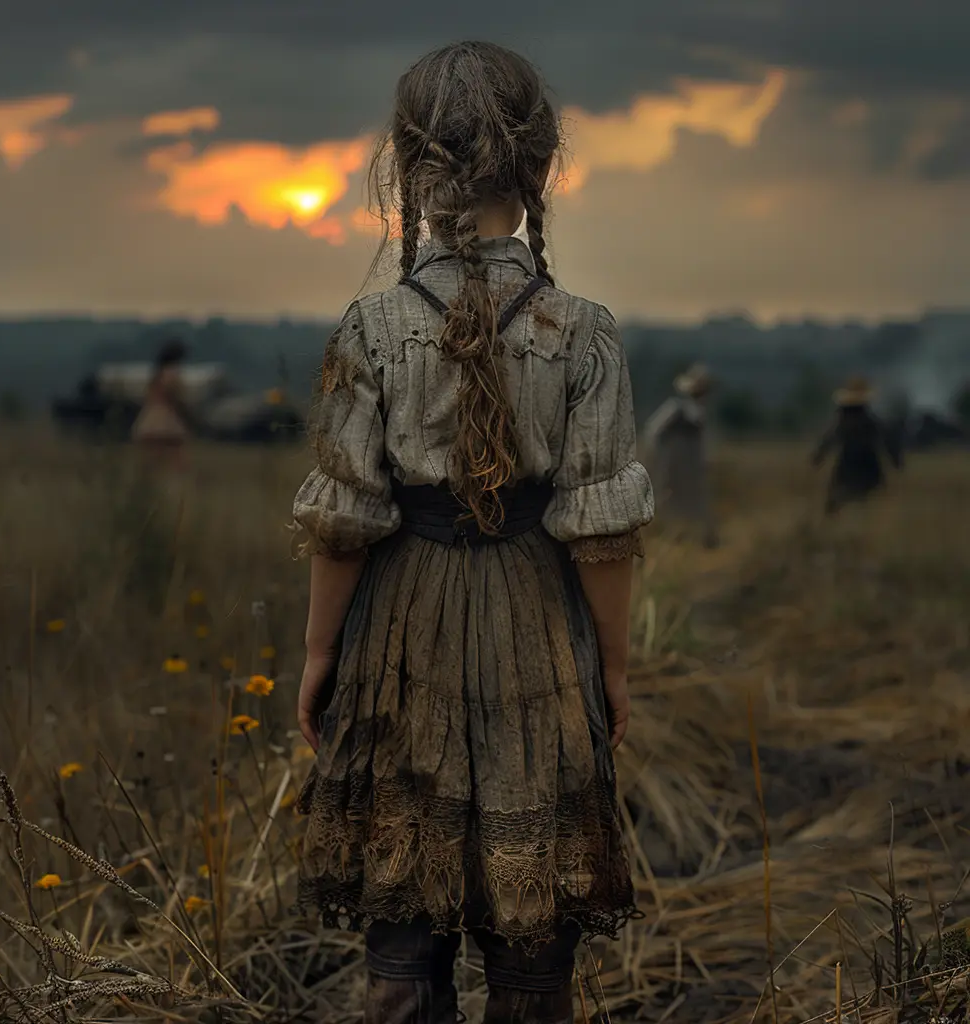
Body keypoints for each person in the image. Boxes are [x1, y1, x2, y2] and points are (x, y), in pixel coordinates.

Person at [291, 41, 655, 1024]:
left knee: (402, 941)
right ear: (538, 168)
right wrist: (612, 668)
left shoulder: (371, 326)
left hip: (400, 625)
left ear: (408, 173)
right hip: (538, 620)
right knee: (533, 946)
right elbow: (603, 534)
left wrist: (320, 650)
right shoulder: (583, 330)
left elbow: (340, 524)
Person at [642, 363, 718, 548]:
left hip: (691, 468)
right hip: (674, 466)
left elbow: (701, 443)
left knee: (696, 502)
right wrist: (663, 456)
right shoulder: (676, 408)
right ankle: (670, 539)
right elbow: (654, 431)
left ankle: (702, 540)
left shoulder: (700, 414)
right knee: (670, 502)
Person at [812, 375, 902, 514]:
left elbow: (829, 439)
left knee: (840, 500)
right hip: (863, 466)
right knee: (853, 500)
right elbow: (888, 440)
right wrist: (896, 461)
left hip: (855, 465)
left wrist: (818, 457)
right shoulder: (868, 421)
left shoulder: (850, 422)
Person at [131, 338, 192, 472]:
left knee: (152, 460)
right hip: (167, 420)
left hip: (150, 417)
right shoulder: (172, 375)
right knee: (177, 461)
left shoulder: (155, 375)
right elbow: (176, 397)